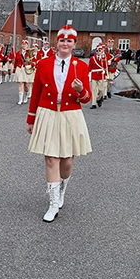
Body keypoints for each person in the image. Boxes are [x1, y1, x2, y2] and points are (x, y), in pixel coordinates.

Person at [26, 25, 92, 222]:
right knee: (51, 159)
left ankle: (62, 188)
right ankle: (53, 204)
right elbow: (36, 93)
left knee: (68, 161)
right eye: (62, 40)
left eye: (69, 41)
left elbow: (87, 99)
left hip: (71, 115)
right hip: (48, 113)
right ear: (57, 42)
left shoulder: (81, 67)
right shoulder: (43, 64)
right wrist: (31, 119)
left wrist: (80, 91)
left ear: (74, 44)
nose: (65, 44)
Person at [89, 44, 108, 109]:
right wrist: (88, 75)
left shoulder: (104, 59)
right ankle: (93, 104)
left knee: (101, 89)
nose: (98, 52)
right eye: (96, 50)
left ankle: (99, 98)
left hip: (101, 75)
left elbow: (105, 67)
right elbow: (90, 67)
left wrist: (104, 71)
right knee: (93, 90)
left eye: (99, 50)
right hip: (94, 75)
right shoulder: (92, 58)